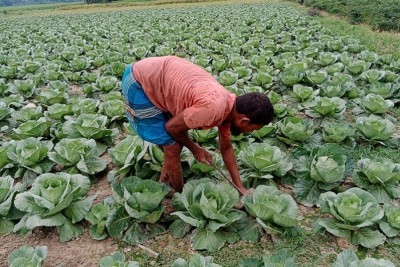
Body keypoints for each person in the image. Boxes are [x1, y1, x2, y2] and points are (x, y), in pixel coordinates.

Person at [121, 56, 274, 195]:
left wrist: (239, 186)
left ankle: (165, 181)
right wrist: (195, 149)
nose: (249, 132)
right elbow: (171, 127)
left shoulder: (230, 107)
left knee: (176, 141)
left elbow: (226, 148)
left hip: (158, 76)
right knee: (172, 146)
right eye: (253, 129)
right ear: (244, 121)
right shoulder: (212, 108)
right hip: (138, 81)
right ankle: (179, 194)